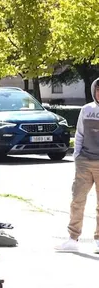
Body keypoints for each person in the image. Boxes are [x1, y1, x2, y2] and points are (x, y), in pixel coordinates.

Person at [57, 78, 99, 253]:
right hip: (84, 162)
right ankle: (73, 238)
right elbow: (80, 133)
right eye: (98, 90)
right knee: (77, 201)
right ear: (94, 91)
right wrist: (77, 156)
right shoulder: (86, 109)